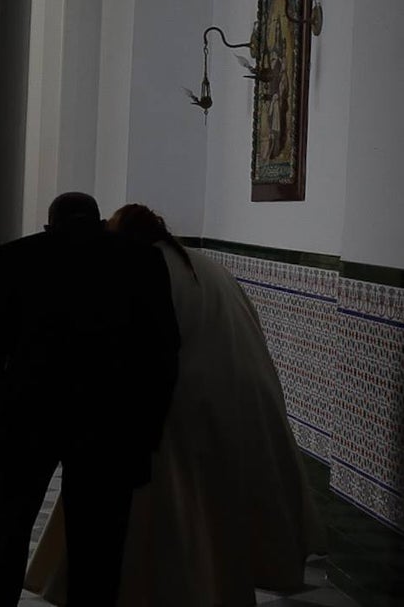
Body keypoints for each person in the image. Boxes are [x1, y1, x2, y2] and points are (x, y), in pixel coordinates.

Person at [24, 203, 325, 606]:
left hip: (172, 408)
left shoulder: (136, 268)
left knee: (163, 516)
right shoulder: (205, 266)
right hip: (231, 404)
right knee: (215, 515)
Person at [0, 192, 179, 607]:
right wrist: (147, 433)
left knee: (9, 531)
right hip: (108, 420)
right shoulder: (140, 260)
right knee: (99, 543)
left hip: (29, 415)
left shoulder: (17, 257)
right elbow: (162, 353)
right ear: (99, 221)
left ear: (50, 225)